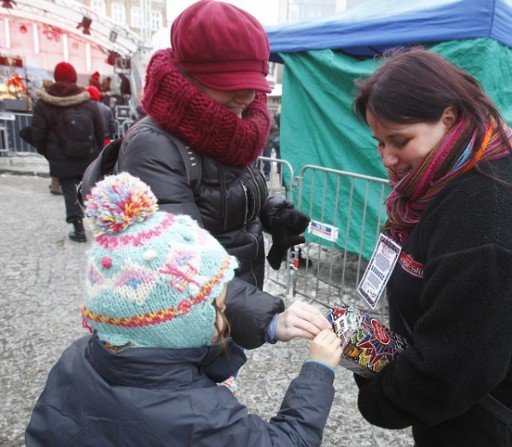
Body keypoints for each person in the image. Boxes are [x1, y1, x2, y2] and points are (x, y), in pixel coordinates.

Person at [351, 47, 512, 446]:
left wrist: (380, 398)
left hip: (481, 418)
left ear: (448, 118)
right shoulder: (458, 181)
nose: (386, 158)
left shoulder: (486, 218)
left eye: (399, 140)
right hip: (470, 406)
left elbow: (453, 370)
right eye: (379, 143)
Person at [25, 172, 342, 447]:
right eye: (217, 307)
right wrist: (318, 371)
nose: (225, 319)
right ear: (176, 322)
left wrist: (265, 330)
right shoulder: (202, 417)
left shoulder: (77, 358)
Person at [110, 0, 308, 288]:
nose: (246, 96)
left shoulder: (231, 130)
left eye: (254, 84)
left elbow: (223, 194)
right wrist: (265, 317)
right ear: (188, 77)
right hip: (194, 317)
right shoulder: (152, 147)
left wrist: (272, 212)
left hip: (234, 305)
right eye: (230, 84)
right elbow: (181, 263)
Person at [30, 61, 104, 242]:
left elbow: (38, 133)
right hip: (87, 154)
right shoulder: (88, 103)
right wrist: (97, 150)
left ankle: (79, 229)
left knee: (69, 190)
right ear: (74, 77)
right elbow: (100, 131)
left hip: (60, 155)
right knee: (91, 189)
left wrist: (47, 152)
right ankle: (104, 226)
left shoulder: (44, 104)